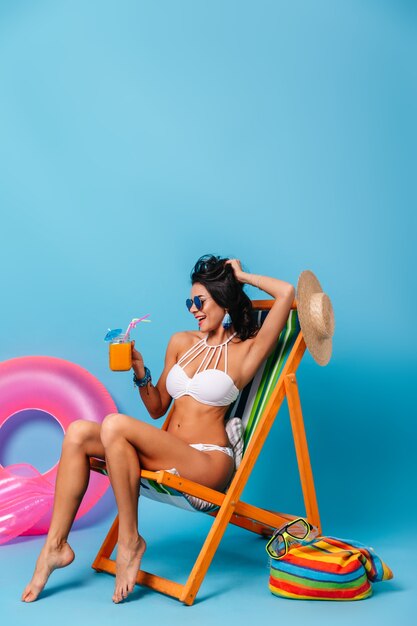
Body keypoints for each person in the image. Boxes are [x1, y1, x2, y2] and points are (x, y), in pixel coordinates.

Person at [22, 255, 295, 604]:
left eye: (201, 301)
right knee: (77, 432)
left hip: (207, 464)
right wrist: (140, 372)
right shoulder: (181, 342)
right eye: (190, 302)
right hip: (169, 450)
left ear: (224, 300)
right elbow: (157, 408)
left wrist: (240, 276)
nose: (193, 309)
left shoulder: (247, 351)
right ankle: (55, 547)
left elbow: (286, 294)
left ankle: (130, 540)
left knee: (114, 425)